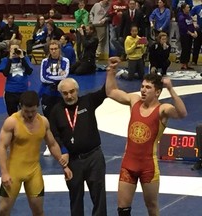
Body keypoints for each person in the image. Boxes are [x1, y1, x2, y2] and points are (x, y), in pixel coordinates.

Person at [106, 57, 187, 216]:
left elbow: (182, 113)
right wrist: (111, 71)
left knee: (152, 207)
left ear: (157, 92)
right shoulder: (134, 101)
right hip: (128, 164)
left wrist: (171, 89)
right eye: (142, 86)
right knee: (122, 209)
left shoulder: (163, 109)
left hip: (148, 167)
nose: (143, 90)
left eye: (148, 87)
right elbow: (111, 92)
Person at [0, 90, 72, 216]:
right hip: (13, 171)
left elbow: (52, 144)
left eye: (33, 111)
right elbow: (2, 147)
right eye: (27, 111)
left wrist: (64, 165)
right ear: (21, 107)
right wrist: (4, 172)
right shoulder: (12, 122)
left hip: (33, 172)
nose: (30, 115)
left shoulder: (43, 122)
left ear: (37, 107)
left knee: (38, 211)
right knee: (3, 210)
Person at [50, 77, 107, 215]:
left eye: (72, 91)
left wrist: (111, 71)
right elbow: (54, 136)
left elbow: (106, 91)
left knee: (99, 196)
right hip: (73, 161)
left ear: (77, 90)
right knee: (75, 197)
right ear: (61, 94)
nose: (69, 96)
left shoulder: (88, 101)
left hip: (94, 157)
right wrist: (63, 152)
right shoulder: (56, 111)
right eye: (65, 93)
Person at [0, 39, 33, 116]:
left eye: (16, 49)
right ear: (9, 50)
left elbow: (29, 71)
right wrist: (10, 59)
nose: (15, 51)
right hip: (11, 91)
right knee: (12, 115)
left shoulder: (25, 59)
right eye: (13, 49)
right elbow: (5, 73)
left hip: (23, 90)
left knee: (25, 115)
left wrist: (22, 58)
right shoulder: (5, 60)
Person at [178, 3, 197, 70]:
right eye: (187, 7)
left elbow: (191, 25)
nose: (189, 9)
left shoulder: (188, 16)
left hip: (190, 36)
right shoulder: (181, 17)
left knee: (189, 50)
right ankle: (183, 64)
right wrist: (191, 33)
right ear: (183, 9)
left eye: (189, 7)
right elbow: (183, 28)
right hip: (184, 36)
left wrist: (194, 31)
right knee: (185, 50)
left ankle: (187, 63)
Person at [190, 0, 202, 65]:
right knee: (196, 46)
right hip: (199, 29)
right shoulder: (197, 7)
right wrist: (194, 23)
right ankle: (194, 61)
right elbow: (189, 15)